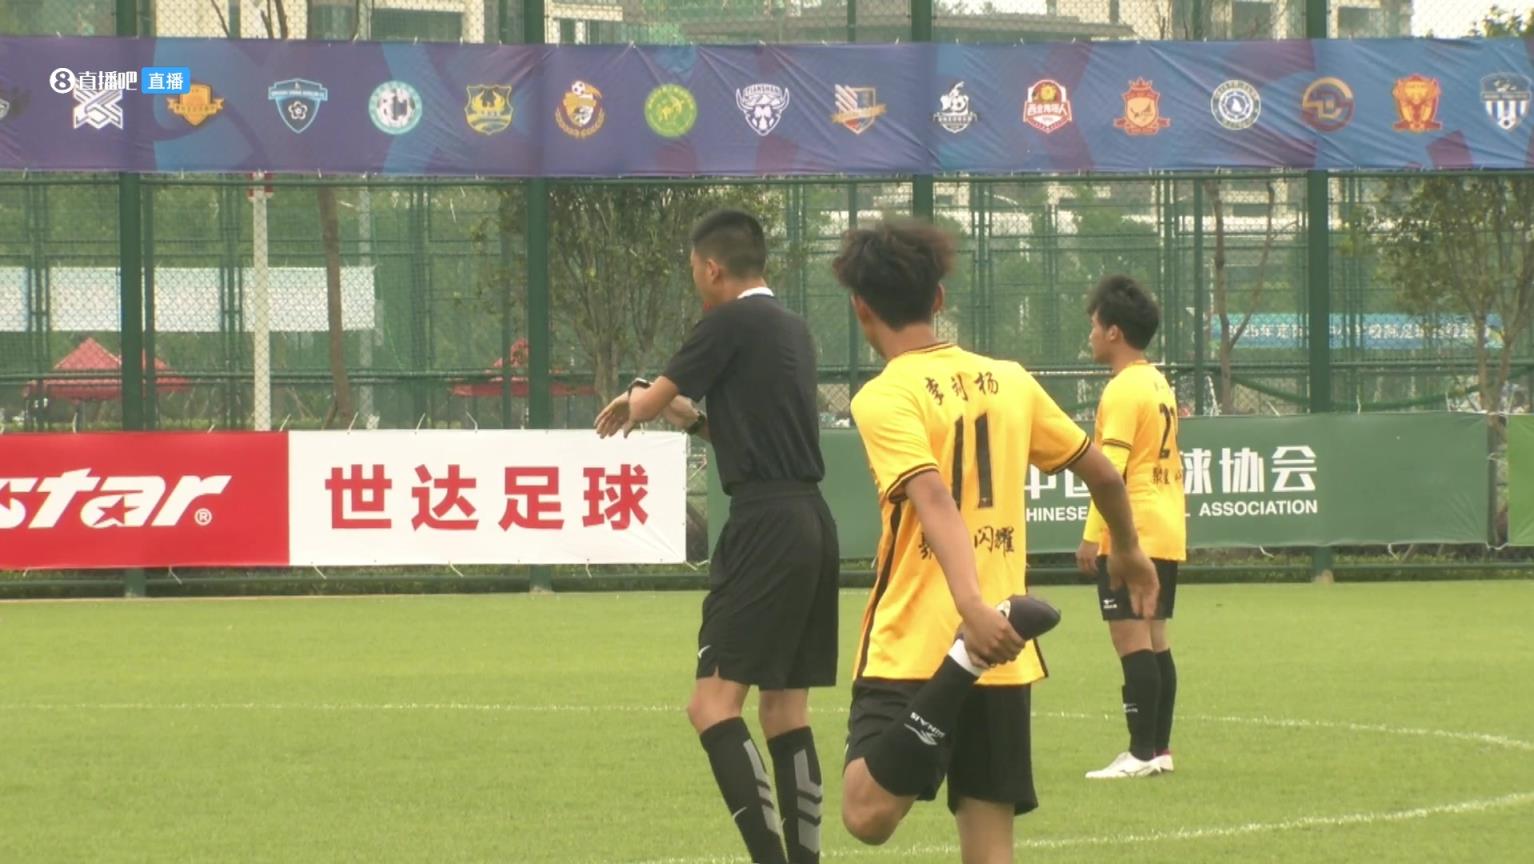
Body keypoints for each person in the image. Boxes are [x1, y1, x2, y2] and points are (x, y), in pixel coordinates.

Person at [829, 219, 1159, 861]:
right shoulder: (1010, 380)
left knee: (865, 813)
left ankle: (961, 665)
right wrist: (1128, 547)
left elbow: (933, 498)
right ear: (939, 299)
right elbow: (1102, 473)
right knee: (990, 847)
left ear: (860, 306)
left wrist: (970, 614)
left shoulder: (883, 396)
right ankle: (968, 660)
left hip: (925, 638)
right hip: (1005, 638)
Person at [595, 209, 838, 864]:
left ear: (710, 268)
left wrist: (638, 395)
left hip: (763, 527)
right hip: (811, 521)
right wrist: (692, 419)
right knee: (784, 713)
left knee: (711, 705)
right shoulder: (791, 328)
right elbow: (746, 429)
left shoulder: (727, 320)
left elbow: (648, 402)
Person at [1074, 274, 1188, 780]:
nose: (1091, 335)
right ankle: (1159, 750)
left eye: (1094, 326)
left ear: (1114, 331)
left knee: (1130, 639)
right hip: (1166, 524)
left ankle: (1140, 753)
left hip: (1132, 532)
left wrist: (1091, 536)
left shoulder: (1122, 390)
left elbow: (1110, 472)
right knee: (1155, 636)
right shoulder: (1158, 382)